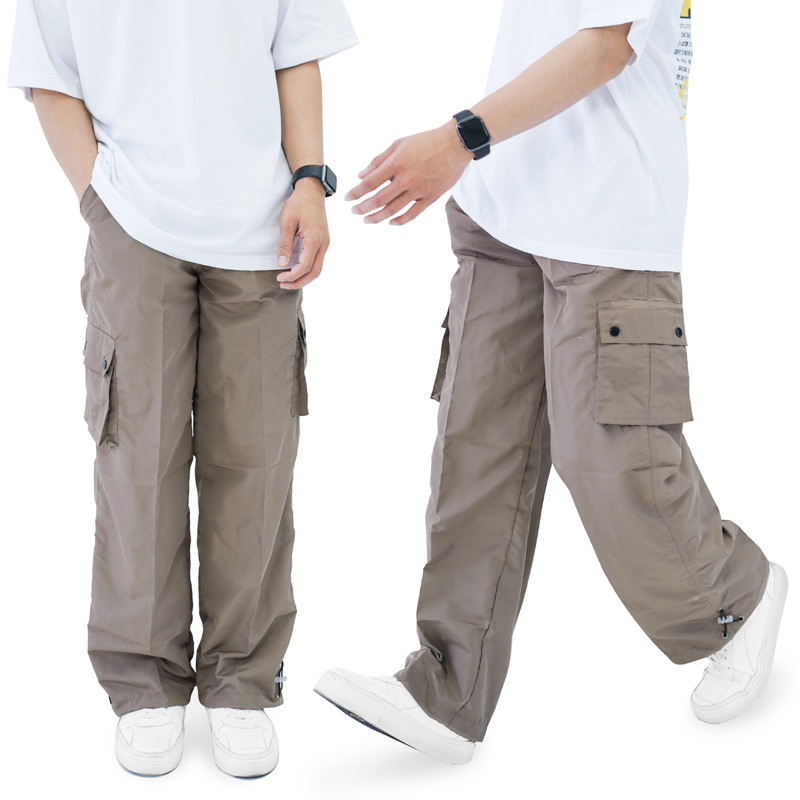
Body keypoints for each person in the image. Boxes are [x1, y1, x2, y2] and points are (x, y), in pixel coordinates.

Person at [314, 0, 788, 765]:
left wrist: (456, 139)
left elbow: (607, 45)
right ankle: (448, 691)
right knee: (476, 454)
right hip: (503, 207)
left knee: (609, 458)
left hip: (608, 216)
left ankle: (736, 599)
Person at [7, 0, 357, 779]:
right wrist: (97, 200)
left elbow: (296, 49)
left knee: (256, 462)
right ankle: (144, 682)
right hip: (133, 218)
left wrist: (310, 181)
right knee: (139, 457)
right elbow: (48, 73)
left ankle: (241, 681)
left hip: (262, 223)